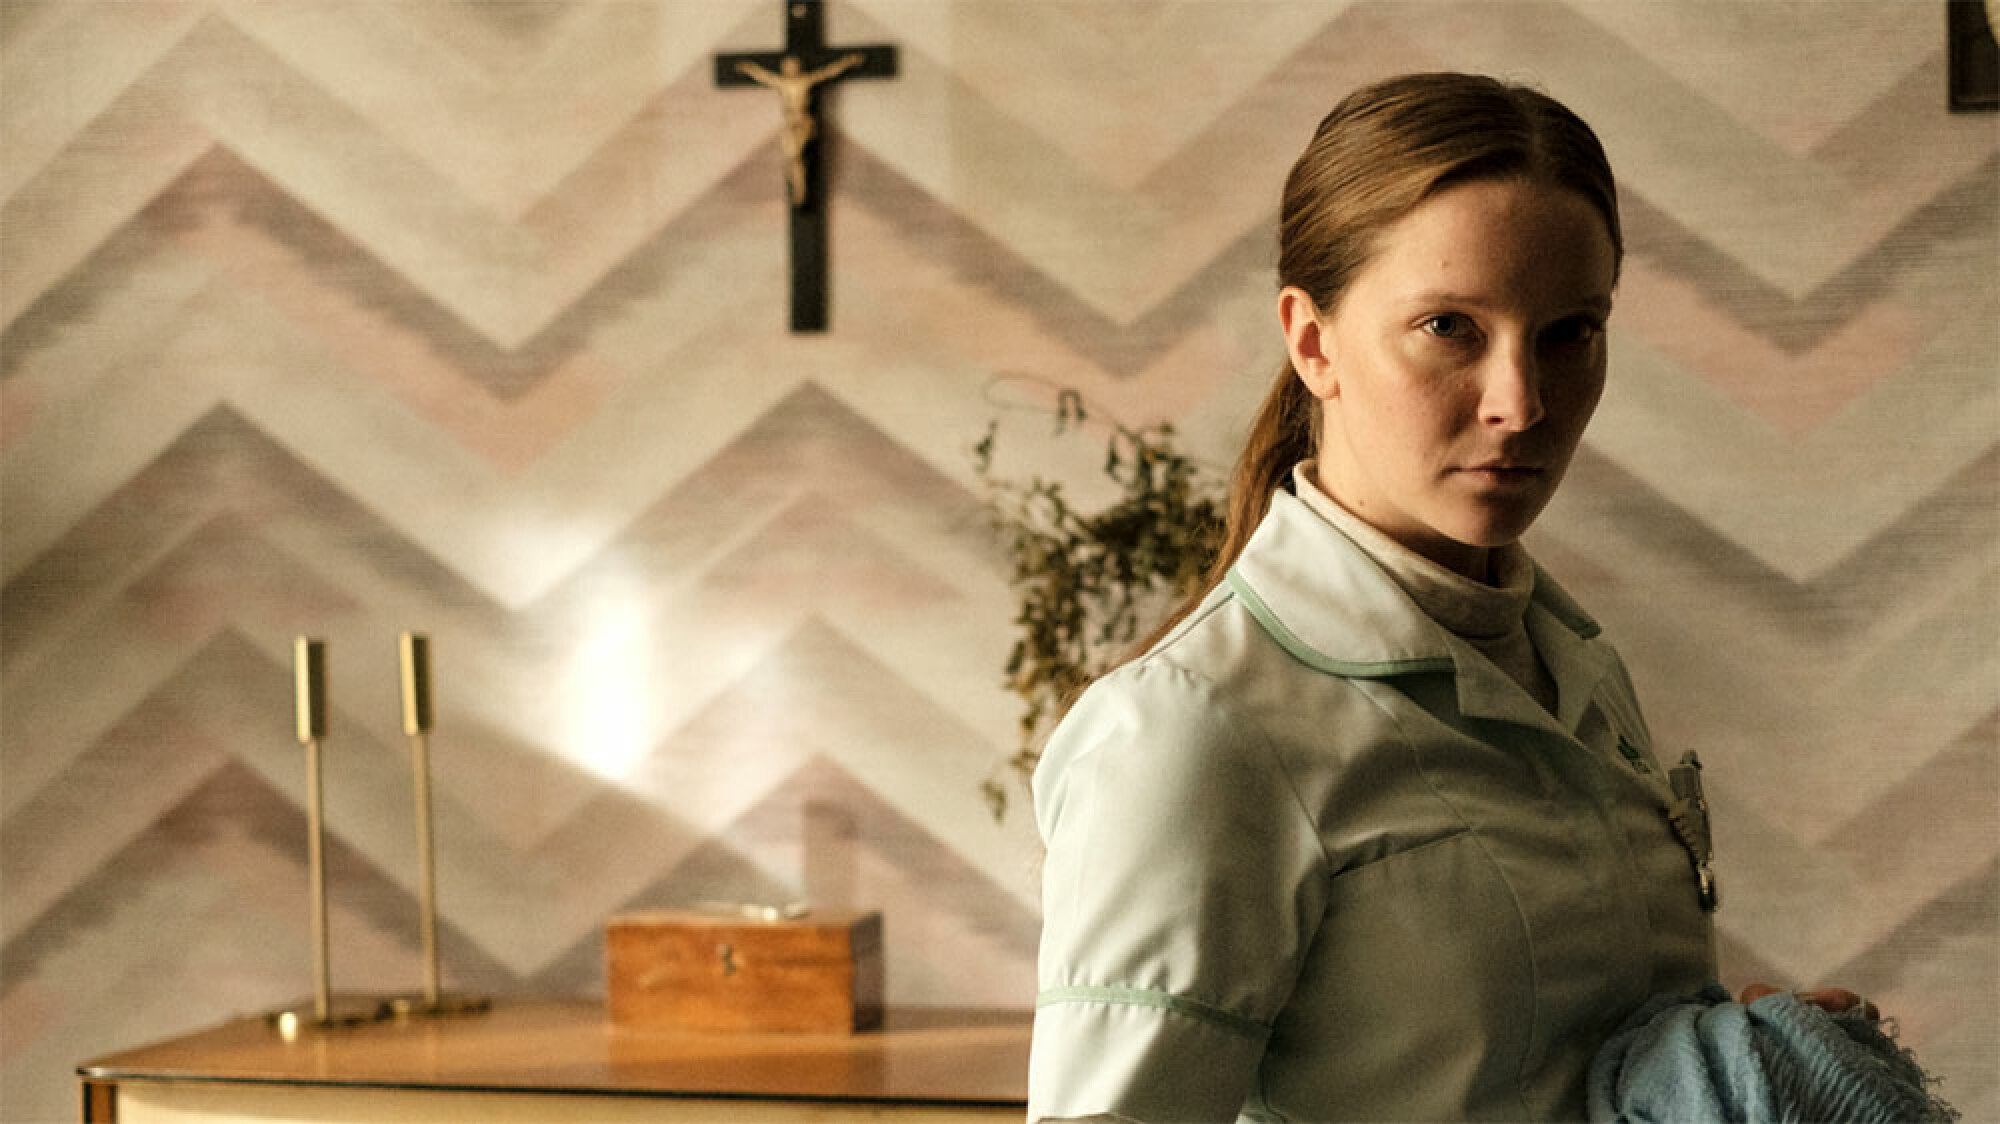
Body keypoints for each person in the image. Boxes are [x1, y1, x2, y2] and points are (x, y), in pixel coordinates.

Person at [1026, 72, 1869, 1123]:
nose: (1520, 402)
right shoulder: (1190, 731)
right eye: (1447, 326)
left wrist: (1732, 1067)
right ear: (1311, 340)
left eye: (1568, 332)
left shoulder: (1573, 664)